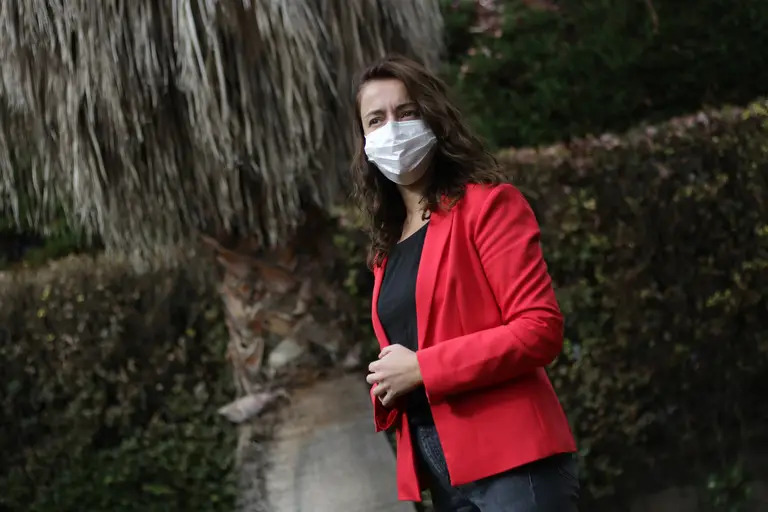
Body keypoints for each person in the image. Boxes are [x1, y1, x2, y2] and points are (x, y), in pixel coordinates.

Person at [350, 54, 579, 512]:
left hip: (514, 462)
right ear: (365, 142)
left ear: (433, 119)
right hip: (442, 470)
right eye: (376, 120)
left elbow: (539, 330)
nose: (392, 129)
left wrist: (422, 368)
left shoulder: (489, 206)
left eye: (406, 112)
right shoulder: (386, 248)